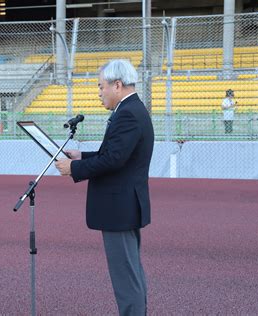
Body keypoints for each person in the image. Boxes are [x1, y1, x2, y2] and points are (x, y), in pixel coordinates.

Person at [55, 59, 154, 315]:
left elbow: (114, 160)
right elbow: (113, 153)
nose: (99, 93)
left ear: (117, 85)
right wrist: (82, 157)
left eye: (101, 87)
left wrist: (73, 169)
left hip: (119, 209)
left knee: (125, 276)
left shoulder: (128, 114)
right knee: (131, 272)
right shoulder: (132, 110)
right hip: (124, 206)